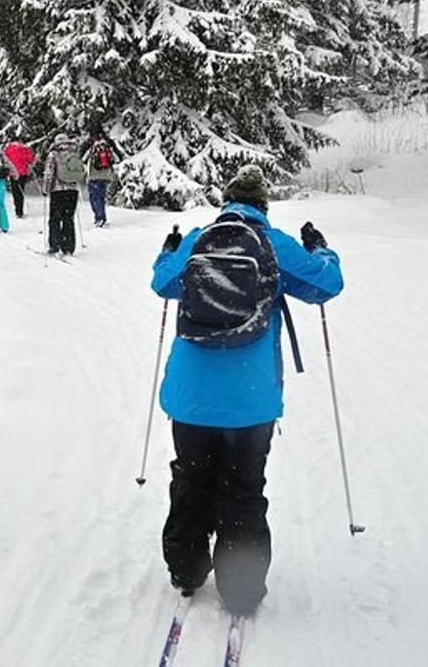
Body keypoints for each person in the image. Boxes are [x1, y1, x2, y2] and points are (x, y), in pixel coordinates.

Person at [150, 164, 344, 617]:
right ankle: (239, 589)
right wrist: (322, 248)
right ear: (263, 204)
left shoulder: (200, 238)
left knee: (191, 478)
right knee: (243, 487)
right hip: (250, 400)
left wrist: (169, 249)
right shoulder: (274, 246)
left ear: (227, 200)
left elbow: (162, 282)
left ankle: (185, 568)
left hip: (190, 397)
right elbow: (327, 284)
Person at [43, 133, 86, 255]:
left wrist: (46, 189)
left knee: (55, 219)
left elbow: (49, 173)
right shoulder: (74, 153)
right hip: (72, 190)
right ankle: (69, 247)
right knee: (68, 218)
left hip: (58, 191)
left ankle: (55, 246)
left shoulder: (53, 154)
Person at [83, 133, 117, 227]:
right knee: (101, 198)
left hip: (94, 177)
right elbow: (114, 160)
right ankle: (102, 217)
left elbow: (84, 159)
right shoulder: (108, 148)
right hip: (106, 177)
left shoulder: (93, 149)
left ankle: (99, 218)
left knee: (94, 198)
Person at [3, 136, 36, 218]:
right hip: (22, 172)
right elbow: (30, 160)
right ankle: (20, 209)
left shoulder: (8, 148)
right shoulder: (24, 149)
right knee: (21, 191)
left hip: (13, 173)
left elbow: (4, 159)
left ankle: (17, 209)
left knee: (15, 191)